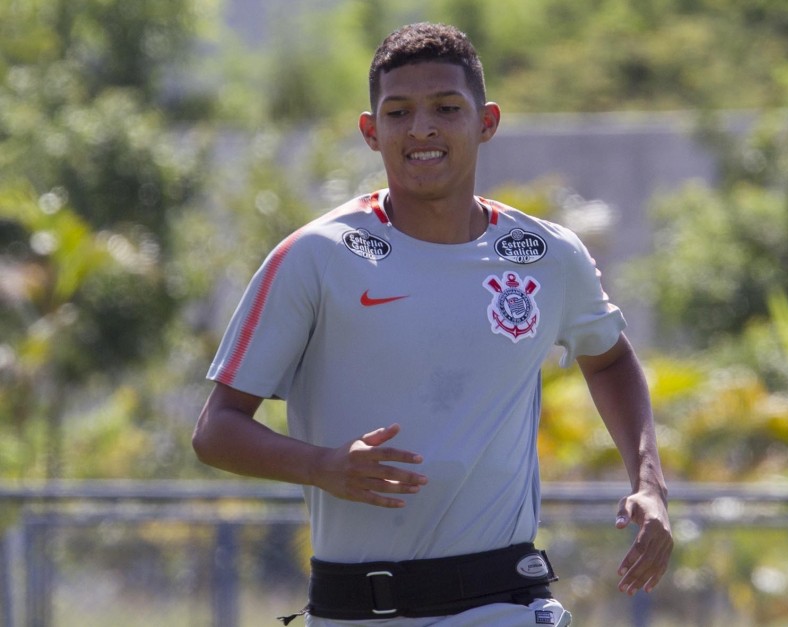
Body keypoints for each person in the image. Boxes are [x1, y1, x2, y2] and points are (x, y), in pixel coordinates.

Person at [192, 22, 672, 627]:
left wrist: (649, 483)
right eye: (399, 112)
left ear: (486, 121)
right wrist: (322, 465)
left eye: (447, 108)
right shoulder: (314, 256)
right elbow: (216, 430)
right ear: (371, 132)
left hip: (504, 602)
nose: (422, 128)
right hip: (352, 610)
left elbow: (610, 357)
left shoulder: (548, 254)